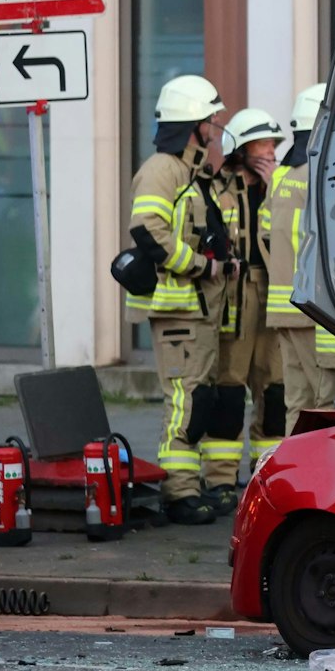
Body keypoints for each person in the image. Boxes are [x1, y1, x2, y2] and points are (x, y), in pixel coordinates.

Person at [124, 74, 230, 526]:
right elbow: (146, 228)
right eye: (211, 121)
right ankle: (178, 492)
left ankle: (189, 485)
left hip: (198, 311)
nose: (215, 129)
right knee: (185, 402)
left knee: (199, 399)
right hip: (178, 310)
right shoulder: (162, 170)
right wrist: (200, 266)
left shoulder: (193, 172)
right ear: (194, 124)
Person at [202, 106, 288, 517]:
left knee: (275, 390)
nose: (270, 151)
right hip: (235, 295)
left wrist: (275, 188)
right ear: (240, 148)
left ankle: (266, 477)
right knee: (229, 389)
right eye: (262, 144)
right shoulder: (216, 188)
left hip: (274, 292)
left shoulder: (283, 186)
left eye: (273, 144)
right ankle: (220, 481)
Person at [268, 84, 335, 430]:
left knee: (296, 402)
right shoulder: (323, 175)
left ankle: (292, 460)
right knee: (323, 402)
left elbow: (265, 235)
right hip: (311, 309)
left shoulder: (281, 177)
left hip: (283, 308)